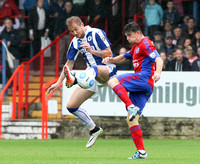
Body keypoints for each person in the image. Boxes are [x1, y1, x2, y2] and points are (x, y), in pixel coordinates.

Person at [47, 16, 117, 148]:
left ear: (82, 25)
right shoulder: (75, 42)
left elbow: (109, 53)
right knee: (71, 106)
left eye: (76, 29)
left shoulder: (96, 33)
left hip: (107, 70)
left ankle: (76, 80)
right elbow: (68, 64)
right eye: (71, 31)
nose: (74, 33)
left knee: (93, 68)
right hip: (91, 76)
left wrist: (92, 51)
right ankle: (94, 129)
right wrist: (58, 83)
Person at [102, 21, 163, 159]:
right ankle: (142, 152)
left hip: (144, 78)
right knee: (132, 119)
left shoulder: (145, 43)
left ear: (137, 33)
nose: (128, 39)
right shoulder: (136, 47)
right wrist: (110, 60)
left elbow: (158, 59)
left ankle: (130, 106)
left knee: (112, 80)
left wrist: (158, 73)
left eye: (129, 36)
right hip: (144, 87)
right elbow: (123, 57)